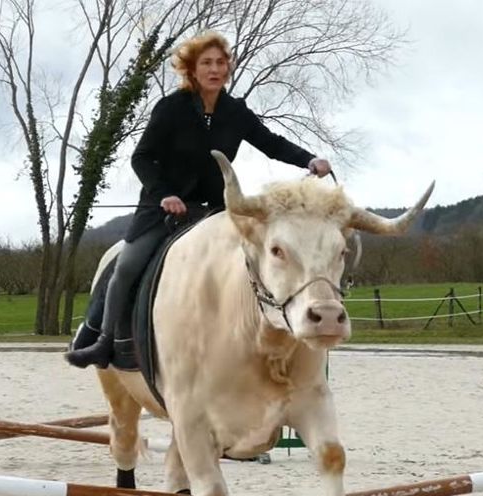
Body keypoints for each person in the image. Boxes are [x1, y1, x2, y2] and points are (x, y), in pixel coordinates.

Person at [66, 31, 331, 368]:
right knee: (128, 264)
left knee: (257, 257)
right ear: (192, 69)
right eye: (206, 63)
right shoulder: (171, 108)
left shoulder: (235, 112)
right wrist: (165, 195)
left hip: (214, 210)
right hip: (162, 209)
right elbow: (142, 158)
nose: (215, 68)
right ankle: (101, 340)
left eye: (221, 62)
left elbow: (271, 142)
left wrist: (308, 160)